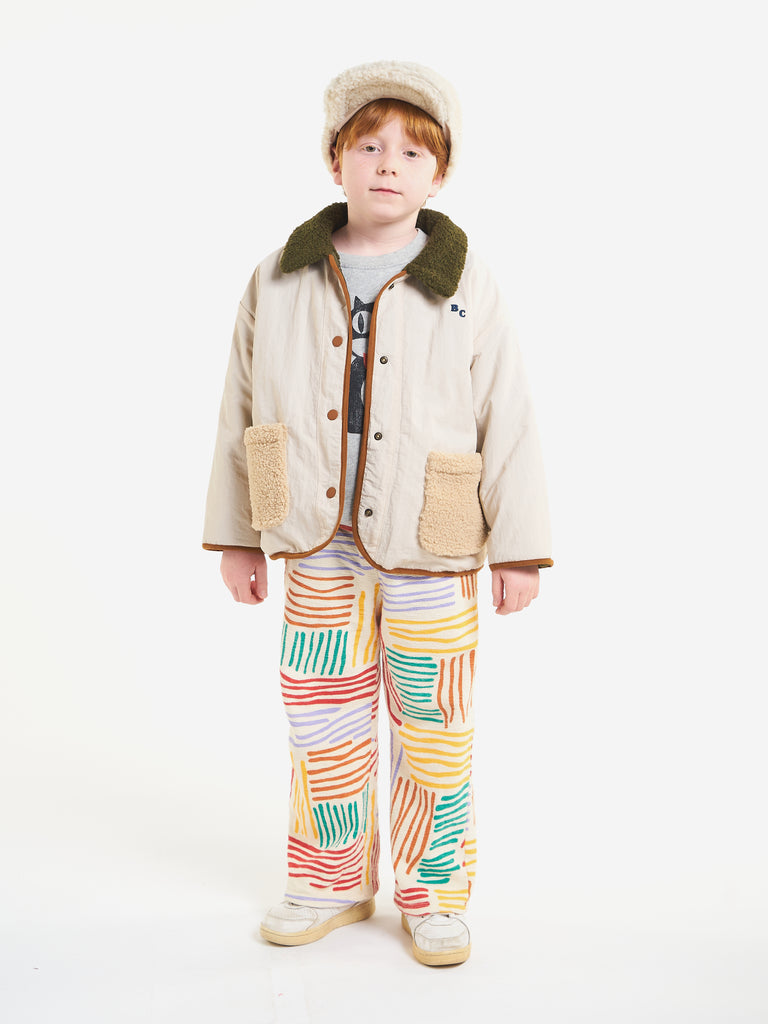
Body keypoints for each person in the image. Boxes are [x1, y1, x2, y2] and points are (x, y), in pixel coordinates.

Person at [202, 59, 553, 967]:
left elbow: (507, 411)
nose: (388, 163)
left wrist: (518, 547)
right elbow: (240, 405)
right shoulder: (277, 275)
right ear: (336, 162)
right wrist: (238, 535)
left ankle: (433, 894)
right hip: (313, 542)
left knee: (435, 727)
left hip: (434, 542)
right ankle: (329, 878)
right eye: (368, 146)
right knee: (321, 719)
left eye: (411, 152)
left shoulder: (465, 278)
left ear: (439, 175)